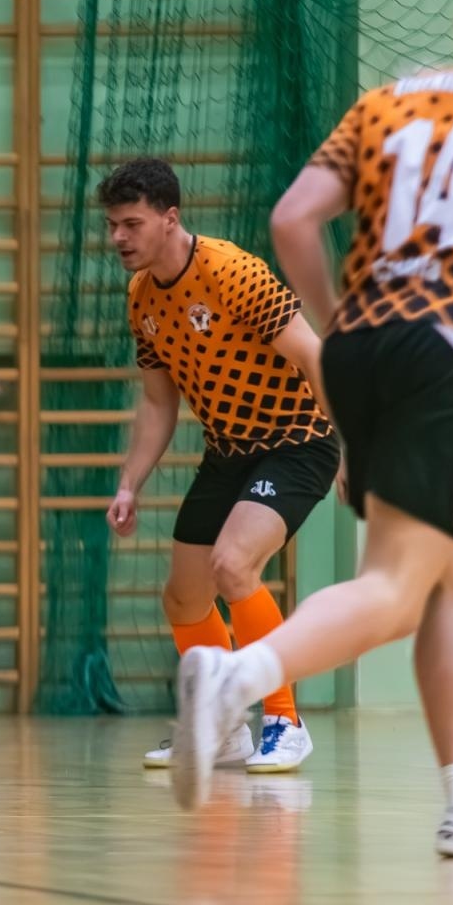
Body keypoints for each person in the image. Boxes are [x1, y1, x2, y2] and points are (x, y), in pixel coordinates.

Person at [169, 0, 453, 858]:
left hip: (362, 345)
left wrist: (337, 333)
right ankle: (238, 677)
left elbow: (295, 216)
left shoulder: (386, 103)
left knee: (450, 569)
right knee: (395, 588)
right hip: (444, 350)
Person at [101, 158, 339, 773]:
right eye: (112, 225)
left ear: (169, 217)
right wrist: (130, 483)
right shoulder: (141, 298)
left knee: (234, 566)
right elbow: (159, 402)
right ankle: (222, 727)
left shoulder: (232, 272)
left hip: (298, 438)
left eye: (131, 223)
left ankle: (284, 719)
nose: (119, 238)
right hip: (228, 449)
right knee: (182, 598)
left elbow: (316, 356)